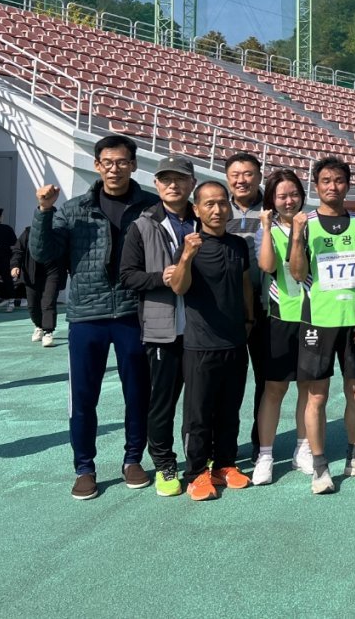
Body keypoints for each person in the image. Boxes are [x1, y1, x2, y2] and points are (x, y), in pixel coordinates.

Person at [31, 135, 157, 500]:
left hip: (136, 312)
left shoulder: (150, 207)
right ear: (97, 166)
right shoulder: (73, 209)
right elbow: (44, 253)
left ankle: (133, 459)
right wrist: (43, 211)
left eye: (121, 162)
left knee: (139, 393)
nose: (114, 168)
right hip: (88, 314)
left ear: (133, 165)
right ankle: (84, 467)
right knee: (84, 397)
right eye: (107, 162)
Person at [289, 156, 355, 495]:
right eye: (326, 180)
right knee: (318, 395)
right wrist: (297, 236)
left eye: (339, 180)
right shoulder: (307, 223)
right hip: (318, 321)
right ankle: (319, 466)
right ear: (317, 186)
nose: (333, 186)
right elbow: (298, 273)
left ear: (348, 184)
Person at [167, 181, 254, 501]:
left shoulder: (238, 245)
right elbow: (178, 287)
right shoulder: (189, 244)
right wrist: (187, 255)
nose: (217, 210)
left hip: (235, 342)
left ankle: (225, 464)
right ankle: (195, 473)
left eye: (222, 203)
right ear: (196, 209)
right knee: (198, 413)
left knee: (230, 410)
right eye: (209, 204)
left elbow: (245, 283)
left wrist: (248, 319)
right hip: (200, 345)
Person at [118, 156, 198, 498]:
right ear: (156, 184)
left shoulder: (204, 220)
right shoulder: (142, 225)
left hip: (201, 328)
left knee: (199, 402)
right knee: (162, 402)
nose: (173, 185)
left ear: (191, 183)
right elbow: (126, 275)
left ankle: (200, 461)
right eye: (166, 179)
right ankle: (165, 462)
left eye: (179, 179)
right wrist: (159, 278)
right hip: (162, 329)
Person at [253, 169, 311, 485]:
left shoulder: (313, 225)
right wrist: (265, 226)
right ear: (272, 201)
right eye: (281, 196)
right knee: (274, 388)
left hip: (313, 317)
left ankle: (302, 449)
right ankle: (265, 455)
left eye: (293, 194)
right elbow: (267, 266)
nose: (289, 201)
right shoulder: (270, 229)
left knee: (307, 385)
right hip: (280, 317)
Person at [224, 152, 268, 462]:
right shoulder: (214, 208)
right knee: (228, 382)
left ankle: (260, 443)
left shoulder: (274, 208)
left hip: (266, 308)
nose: (242, 180)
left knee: (266, 381)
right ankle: (225, 446)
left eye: (248, 173)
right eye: (236, 174)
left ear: (259, 176)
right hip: (226, 312)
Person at [11, 224, 63, 347]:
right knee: (32, 305)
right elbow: (18, 250)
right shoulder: (28, 232)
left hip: (52, 271)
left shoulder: (59, 233)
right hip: (31, 272)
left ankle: (48, 332)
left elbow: (68, 251)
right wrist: (15, 265)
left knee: (48, 302)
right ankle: (39, 326)